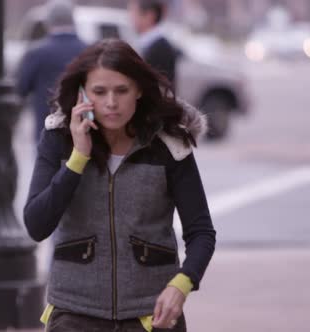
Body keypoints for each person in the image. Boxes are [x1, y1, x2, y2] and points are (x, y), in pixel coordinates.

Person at [23, 38, 215, 332]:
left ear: (138, 90)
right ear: (83, 94)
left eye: (121, 90)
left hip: (150, 316)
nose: (111, 102)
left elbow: (201, 232)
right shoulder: (58, 138)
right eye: (100, 92)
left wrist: (182, 284)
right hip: (74, 313)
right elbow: (37, 224)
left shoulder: (169, 145)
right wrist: (78, 157)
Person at [16, 0, 87, 142]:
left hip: (45, 128)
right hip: (82, 128)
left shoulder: (36, 53)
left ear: (49, 21)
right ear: (72, 19)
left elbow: (21, 89)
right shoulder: (88, 50)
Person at [127, 0, 180, 85]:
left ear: (150, 16)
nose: (130, 18)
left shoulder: (160, 48)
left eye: (134, 13)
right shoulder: (147, 44)